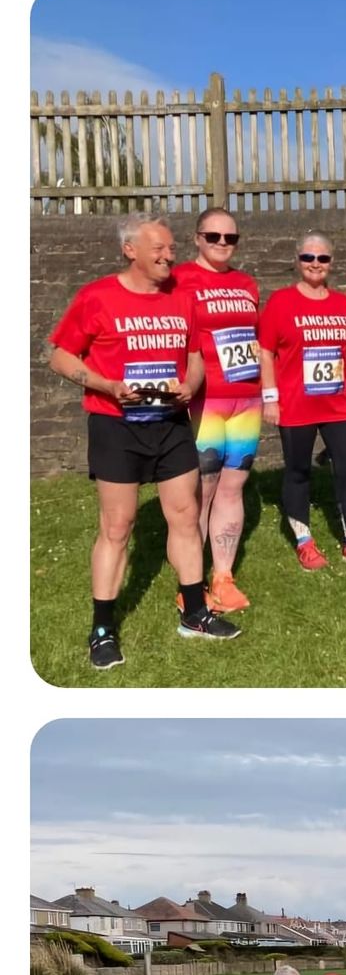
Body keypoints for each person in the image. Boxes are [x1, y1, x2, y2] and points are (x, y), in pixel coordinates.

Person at [47, 212, 241, 670]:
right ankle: (102, 630)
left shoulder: (182, 297)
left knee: (186, 515)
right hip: (117, 425)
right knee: (118, 526)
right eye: (159, 248)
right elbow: (60, 355)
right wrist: (104, 384)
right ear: (130, 249)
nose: (168, 255)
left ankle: (194, 613)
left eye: (172, 247)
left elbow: (195, 356)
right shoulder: (97, 296)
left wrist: (191, 386)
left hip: (171, 424)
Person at [258, 233, 346, 569]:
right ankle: (304, 540)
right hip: (296, 404)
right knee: (299, 471)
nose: (315, 264)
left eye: (322, 259)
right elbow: (266, 351)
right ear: (298, 260)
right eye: (308, 258)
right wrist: (270, 398)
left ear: (331, 262)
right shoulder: (281, 302)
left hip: (338, 405)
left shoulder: (342, 304)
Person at [171, 208, 261, 613]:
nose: (222, 244)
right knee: (202, 491)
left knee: (232, 487)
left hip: (246, 397)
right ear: (196, 238)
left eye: (231, 238)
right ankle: (190, 581)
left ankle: (223, 576)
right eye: (213, 237)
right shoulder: (180, 281)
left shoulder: (246, 284)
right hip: (204, 401)